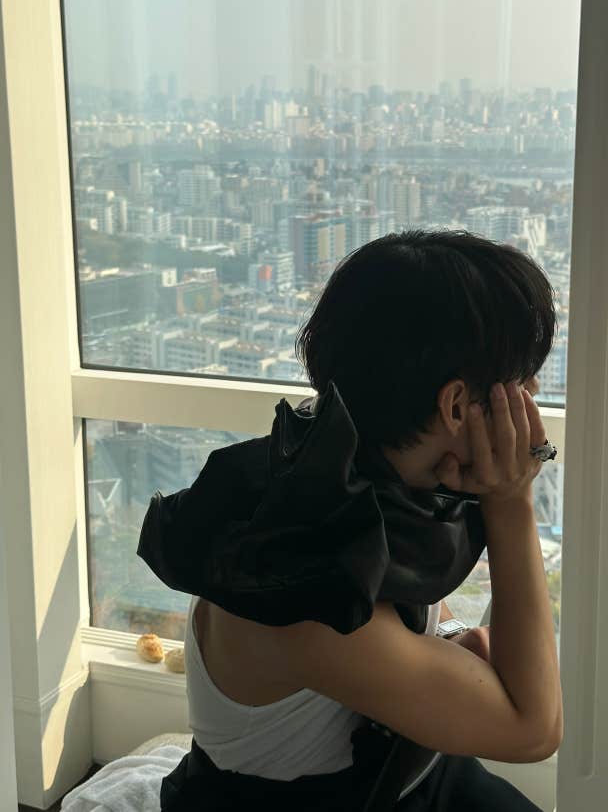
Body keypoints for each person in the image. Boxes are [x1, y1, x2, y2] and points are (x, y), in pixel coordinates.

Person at [138, 228, 563, 810]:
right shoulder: (297, 580)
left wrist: (440, 646)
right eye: (521, 381)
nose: (532, 398)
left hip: (399, 772)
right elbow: (534, 729)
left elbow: (398, 609)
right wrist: (511, 500)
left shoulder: (339, 468)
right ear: (456, 406)